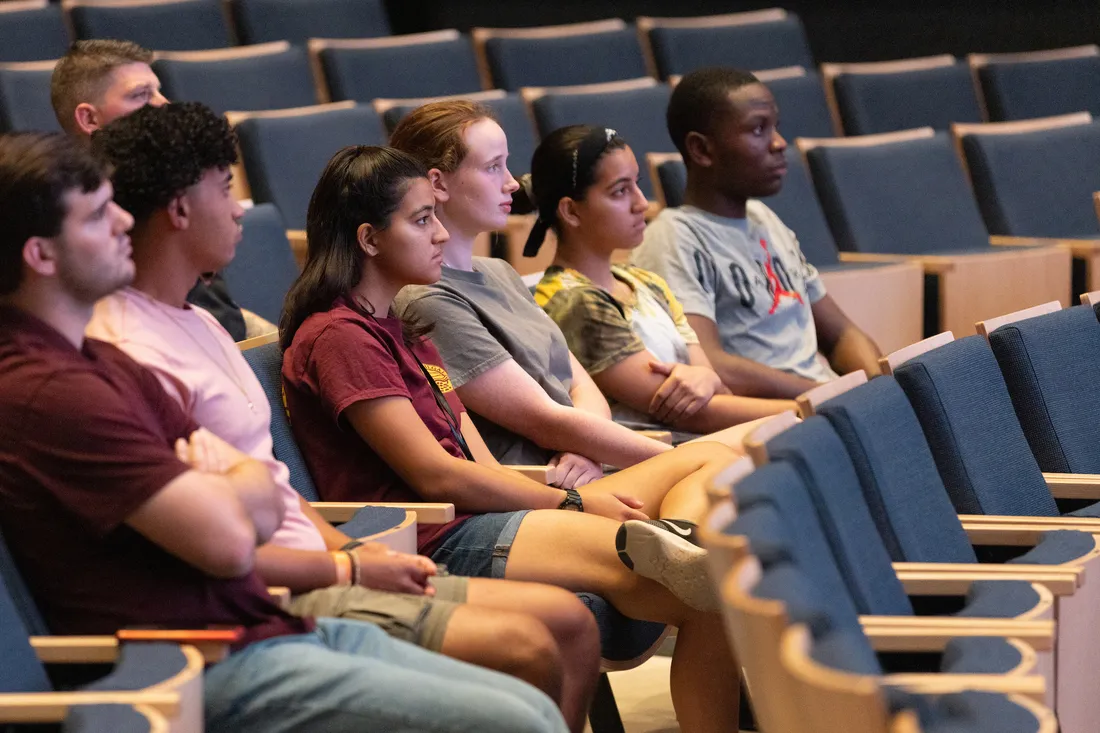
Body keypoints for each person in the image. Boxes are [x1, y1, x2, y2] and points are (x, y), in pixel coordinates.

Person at [0, 132, 569, 733]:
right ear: (40, 254)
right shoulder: (53, 392)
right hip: (193, 663)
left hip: (259, 621)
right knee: (516, 714)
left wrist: (238, 488)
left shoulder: (102, 363)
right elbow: (227, 538)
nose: (122, 221)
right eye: (95, 214)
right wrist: (246, 489)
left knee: (529, 705)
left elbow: (260, 503)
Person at [281, 143, 745, 733]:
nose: (440, 234)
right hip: (438, 536)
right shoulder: (341, 337)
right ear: (369, 239)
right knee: (710, 591)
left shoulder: (402, 328)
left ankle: (676, 541)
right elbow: (437, 476)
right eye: (422, 220)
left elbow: (474, 458)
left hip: (481, 511)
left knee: (707, 457)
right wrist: (573, 500)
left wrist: (561, 487)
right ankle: (673, 546)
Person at [389, 101, 767, 491]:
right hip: (547, 485)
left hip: (589, 464)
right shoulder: (427, 299)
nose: (512, 183)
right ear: (437, 184)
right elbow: (542, 420)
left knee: (780, 446)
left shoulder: (501, 273)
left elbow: (582, 387)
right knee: (750, 467)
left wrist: (585, 450)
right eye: (492, 167)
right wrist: (686, 459)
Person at [523, 125, 796, 438]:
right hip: (653, 458)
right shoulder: (574, 302)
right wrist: (805, 409)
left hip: (708, 446)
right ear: (571, 211)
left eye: (636, 185)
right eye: (620, 191)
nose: (641, 203)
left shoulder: (645, 281)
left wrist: (705, 378)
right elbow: (690, 414)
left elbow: (714, 385)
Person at [632, 67, 882, 400]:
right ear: (701, 150)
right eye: (758, 129)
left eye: (775, 126)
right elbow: (710, 365)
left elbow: (841, 334)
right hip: (772, 417)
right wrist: (825, 396)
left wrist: (880, 385)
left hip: (820, 401)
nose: (779, 143)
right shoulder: (674, 238)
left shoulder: (765, 219)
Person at [50, 38, 268, 342]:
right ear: (89, 118)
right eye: (141, 95)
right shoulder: (65, 214)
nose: (162, 103)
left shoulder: (172, 176)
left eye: (158, 90)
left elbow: (220, 315)